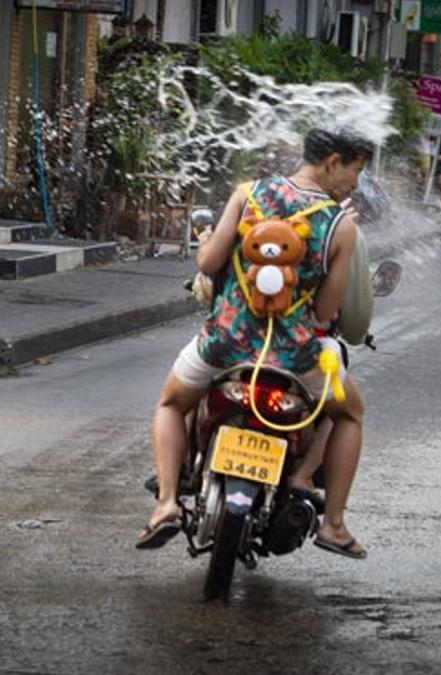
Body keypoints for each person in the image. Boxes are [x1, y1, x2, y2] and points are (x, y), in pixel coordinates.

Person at [137, 127, 372, 559]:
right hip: (296, 359)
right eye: (355, 171)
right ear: (333, 162)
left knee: (172, 403)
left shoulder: (248, 194)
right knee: (351, 414)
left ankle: (167, 503)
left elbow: (208, 263)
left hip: (224, 345)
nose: (355, 183)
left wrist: (211, 244)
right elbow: (324, 313)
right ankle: (334, 524)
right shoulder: (341, 227)